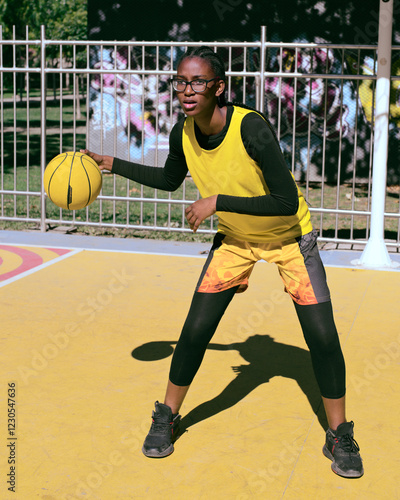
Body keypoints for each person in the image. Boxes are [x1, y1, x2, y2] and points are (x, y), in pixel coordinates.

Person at [83, 46, 363, 478]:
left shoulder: (252, 128)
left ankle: (339, 433)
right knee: (195, 330)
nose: (186, 90)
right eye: (180, 82)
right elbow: (170, 179)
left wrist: (215, 201)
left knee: (323, 339)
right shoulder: (183, 131)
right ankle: (167, 416)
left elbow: (286, 201)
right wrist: (113, 163)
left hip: (289, 238)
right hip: (235, 240)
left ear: (218, 87)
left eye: (197, 82)